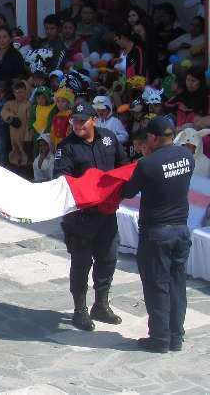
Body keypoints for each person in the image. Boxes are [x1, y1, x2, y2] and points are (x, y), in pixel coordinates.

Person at [121, 117, 195, 353]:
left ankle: (160, 339)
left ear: (152, 138)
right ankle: (176, 337)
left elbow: (128, 190)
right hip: (181, 229)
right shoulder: (188, 158)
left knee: (157, 286)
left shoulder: (147, 164)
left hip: (157, 232)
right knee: (177, 284)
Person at [54, 102, 129, 331]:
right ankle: (80, 309)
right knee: (81, 263)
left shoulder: (108, 138)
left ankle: (101, 304)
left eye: (82, 120)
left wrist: (116, 188)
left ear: (93, 120)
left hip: (106, 213)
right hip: (80, 217)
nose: (77, 124)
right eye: (74, 120)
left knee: (107, 259)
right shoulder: (67, 146)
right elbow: (61, 178)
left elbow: (123, 164)